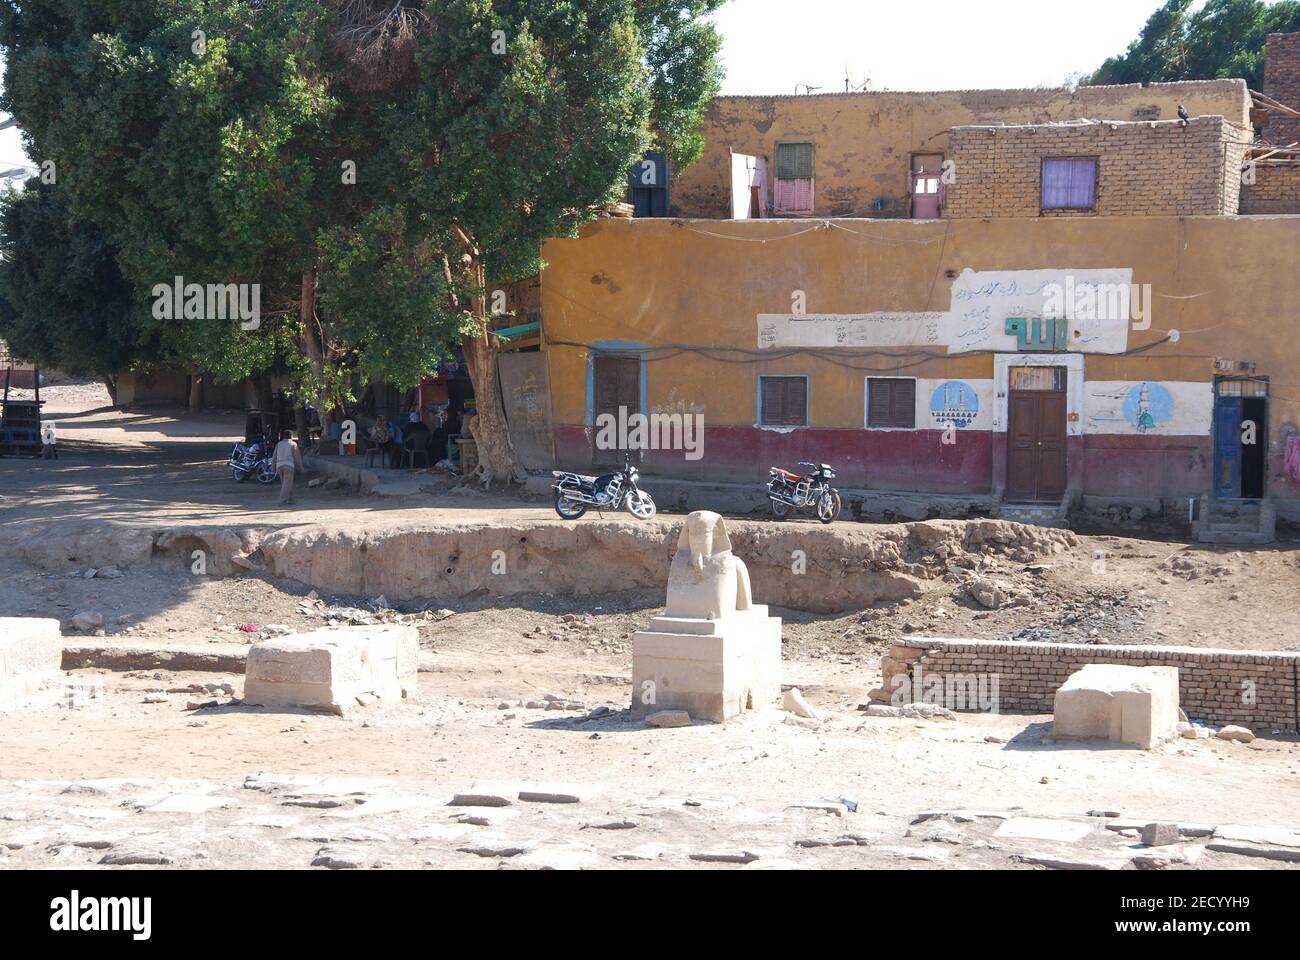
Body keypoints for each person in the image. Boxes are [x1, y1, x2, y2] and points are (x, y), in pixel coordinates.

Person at [273, 429, 306, 505]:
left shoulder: (279, 444)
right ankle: (282, 500)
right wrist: (301, 468)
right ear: (291, 436)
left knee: (285, 483)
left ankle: (290, 499)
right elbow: (297, 457)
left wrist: (273, 467)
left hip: (279, 465)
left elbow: (274, 456)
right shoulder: (293, 444)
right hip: (288, 465)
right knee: (287, 483)